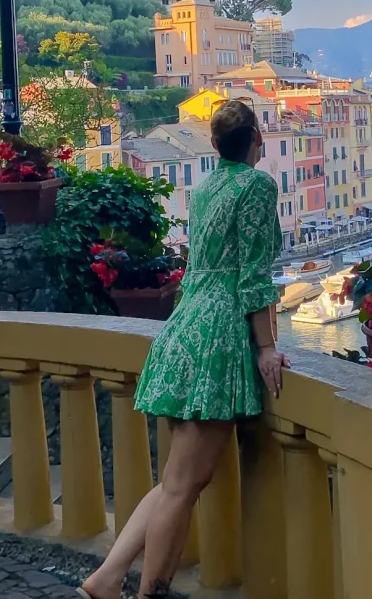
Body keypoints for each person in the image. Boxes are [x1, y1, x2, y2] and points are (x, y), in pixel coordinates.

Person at [78, 99, 288, 599]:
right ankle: (149, 592)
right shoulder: (256, 185)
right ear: (257, 140)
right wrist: (266, 347)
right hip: (217, 337)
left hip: (184, 328)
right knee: (182, 487)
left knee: (175, 480)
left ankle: (106, 580)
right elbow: (254, 276)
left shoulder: (208, 185)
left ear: (214, 145)